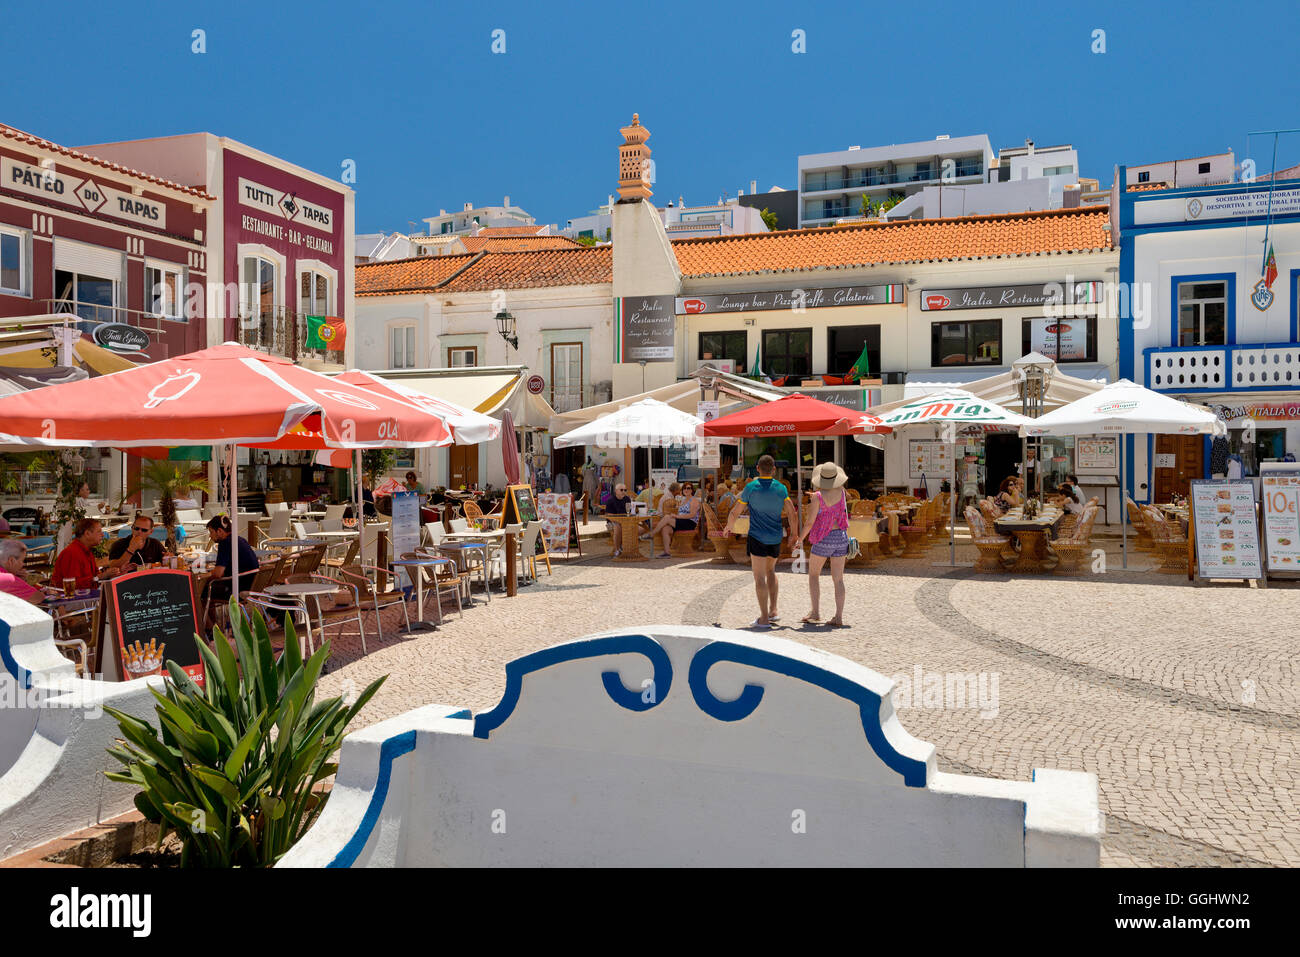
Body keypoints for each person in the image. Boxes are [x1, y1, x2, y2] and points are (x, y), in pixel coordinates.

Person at [725, 454, 798, 629]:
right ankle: (773, 611)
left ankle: (764, 618)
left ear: (757, 468)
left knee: (759, 577)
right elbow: (792, 513)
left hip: (757, 536)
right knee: (771, 571)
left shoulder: (751, 488)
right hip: (775, 537)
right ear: (773, 469)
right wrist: (793, 534)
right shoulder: (781, 488)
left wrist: (729, 526)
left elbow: (736, 511)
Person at [797, 463, 851, 627]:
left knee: (814, 575)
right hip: (840, 537)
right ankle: (839, 617)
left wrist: (800, 539)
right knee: (838, 579)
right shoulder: (842, 492)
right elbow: (844, 498)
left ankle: (815, 612)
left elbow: (809, 522)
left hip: (823, 538)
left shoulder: (817, 497)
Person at [200, 514, 259, 625]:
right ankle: (215, 626)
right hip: (251, 585)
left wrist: (202, 577)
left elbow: (218, 574)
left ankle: (210, 629)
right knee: (208, 588)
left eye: (211, 532)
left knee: (199, 592)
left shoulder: (225, 543)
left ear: (220, 531)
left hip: (237, 589)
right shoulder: (239, 540)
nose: (210, 536)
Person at [649, 481, 700, 558]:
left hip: (690, 523)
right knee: (665, 528)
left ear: (692, 490)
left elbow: (692, 515)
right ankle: (667, 552)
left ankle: (652, 534)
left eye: (688, 488)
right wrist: (675, 515)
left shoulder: (694, 500)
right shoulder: (683, 500)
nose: (686, 490)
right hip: (681, 522)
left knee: (666, 517)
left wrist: (677, 516)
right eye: (684, 488)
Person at [52, 518, 104, 590]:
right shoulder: (71, 553)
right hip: (70, 599)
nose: (103, 535)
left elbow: (96, 576)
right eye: (99, 531)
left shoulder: (87, 551)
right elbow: (72, 586)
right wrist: (99, 577)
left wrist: (114, 573)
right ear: (87, 534)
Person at [0, 539, 44, 603]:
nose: (23, 564)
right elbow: (39, 598)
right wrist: (21, 582)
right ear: (11, 560)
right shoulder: (9, 579)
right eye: (22, 560)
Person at [604, 483, 633, 557]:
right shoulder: (610, 500)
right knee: (617, 527)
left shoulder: (627, 499)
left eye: (625, 490)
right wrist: (619, 520)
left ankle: (624, 546)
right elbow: (608, 515)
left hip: (625, 522)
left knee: (641, 529)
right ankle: (617, 550)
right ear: (616, 491)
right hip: (612, 522)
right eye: (621, 490)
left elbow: (629, 512)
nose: (623, 491)